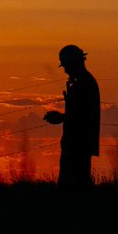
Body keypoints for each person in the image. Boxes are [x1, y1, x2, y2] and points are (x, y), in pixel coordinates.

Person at [43, 44, 101, 187]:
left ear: (74, 64)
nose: (65, 70)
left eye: (66, 66)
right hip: (77, 143)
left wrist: (61, 118)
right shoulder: (82, 82)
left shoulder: (84, 84)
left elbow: (83, 116)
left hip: (78, 144)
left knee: (73, 186)